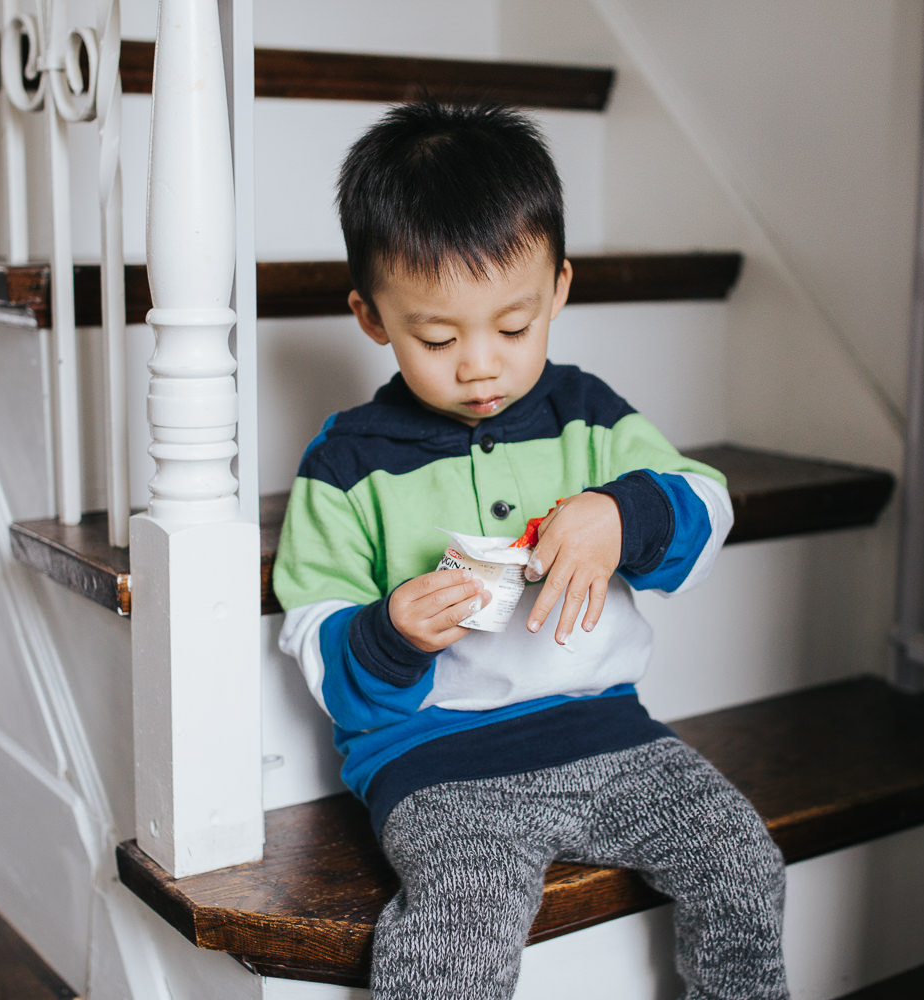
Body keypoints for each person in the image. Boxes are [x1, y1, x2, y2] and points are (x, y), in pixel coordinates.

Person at [272, 99, 787, 999]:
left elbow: (707, 501)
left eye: (513, 327)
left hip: (612, 731)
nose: (480, 364)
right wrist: (390, 631)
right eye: (437, 337)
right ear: (370, 317)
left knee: (742, 862)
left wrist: (622, 515)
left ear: (558, 289)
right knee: (455, 939)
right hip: (440, 762)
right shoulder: (343, 466)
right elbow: (312, 630)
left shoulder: (589, 417)